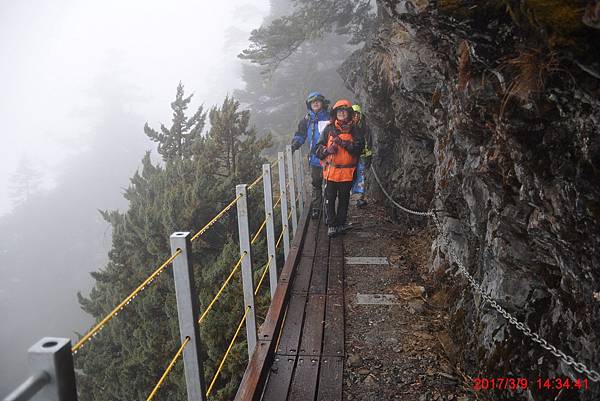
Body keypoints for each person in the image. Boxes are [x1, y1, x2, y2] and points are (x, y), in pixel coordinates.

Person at [315, 99, 365, 237]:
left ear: (349, 113)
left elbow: (358, 149)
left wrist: (342, 143)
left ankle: (340, 223)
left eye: (344, 111)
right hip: (331, 172)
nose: (342, 113)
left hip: (347, 172)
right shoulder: (329, 129)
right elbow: (317, 149)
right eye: (339, 111)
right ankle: (331, 224)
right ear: (335, 113)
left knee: (344, 200)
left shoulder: (356, 130)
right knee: (329, 199)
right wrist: (327, 151)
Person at [291, 92, 331, 219]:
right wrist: (295, 144)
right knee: (316, 183)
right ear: (309, 105)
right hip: (315, 159)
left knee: (330, 184)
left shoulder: (330, 118)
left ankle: (328, 209)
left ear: (322, 103)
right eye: (313, 102)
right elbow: (301, 135)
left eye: (318, 101)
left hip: (330, 157)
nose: (315, 103)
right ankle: (316, 208)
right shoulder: (306, 120)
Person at [350, 104, 373, 208]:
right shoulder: (348, 127)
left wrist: (368, 155)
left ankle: (359, 197)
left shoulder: (364, 127)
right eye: (353, 114)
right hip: (350, 156)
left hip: (362, 156)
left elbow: (368, 142)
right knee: (352, 175)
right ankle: (352, 196)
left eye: (357, 114)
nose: (355, 117)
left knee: (361, 176)